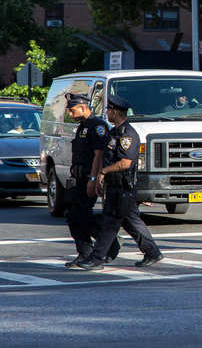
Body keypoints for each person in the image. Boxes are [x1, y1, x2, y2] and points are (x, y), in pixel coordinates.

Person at [77, 95, 163, 270]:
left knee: (110, 223)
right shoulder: (114, 132)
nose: (107, 112)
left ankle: (98, 259)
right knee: (131, 221)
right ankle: (152, 252)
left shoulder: (127, 135)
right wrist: (102, 178)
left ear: (116, 112)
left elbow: (125, 163)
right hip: (114, 186)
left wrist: (102, 172)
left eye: (109, 110)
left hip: (123, 187)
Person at [63, 93, 119, 268]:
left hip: (89, 177)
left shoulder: (97, 126)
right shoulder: (83, 126)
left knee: (79, 215)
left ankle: (99, 247)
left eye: (72, 111)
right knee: (74, 215)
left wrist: (94, 179)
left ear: (83, 107)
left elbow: (99, 155)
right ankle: (87, 251)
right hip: (78, 178)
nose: (70, 114)